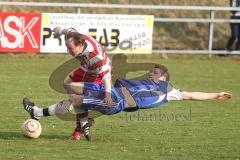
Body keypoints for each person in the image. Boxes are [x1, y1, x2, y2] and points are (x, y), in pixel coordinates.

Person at [22, 64, 232, 140]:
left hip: (115, 102)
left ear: (164, 78)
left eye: (155, 72)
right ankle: (82, 125)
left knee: (76, 99)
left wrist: (215, 94)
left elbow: (193, 95)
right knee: (73, 86)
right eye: (151, 71)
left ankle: (38, 113)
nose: (151, 73)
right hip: (111, 92)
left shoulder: (170, 91)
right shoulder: (142, 82)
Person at [50, 27, 112, 140]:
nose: (68, 51)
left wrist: (108, 94)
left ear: (80, 45)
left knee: (79, 97)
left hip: (97, 72)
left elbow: (107, 77)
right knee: (68, 84)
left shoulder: (95, 57)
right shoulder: (75, 37)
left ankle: (80, 128)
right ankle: (83, 124)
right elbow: (69, 30)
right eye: (67, 48)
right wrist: (59, 30)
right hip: (86, 66)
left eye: (70, 48)